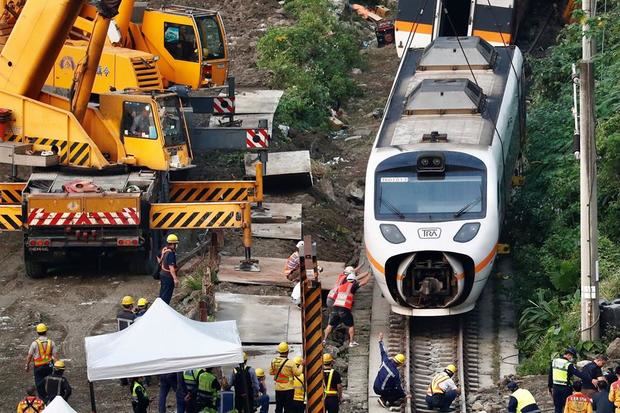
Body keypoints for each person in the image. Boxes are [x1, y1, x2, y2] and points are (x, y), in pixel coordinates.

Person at [323, 269, 370, 348]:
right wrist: (369, 275)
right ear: (354, 280)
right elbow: (364, 282)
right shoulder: (352, 286)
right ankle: (351, 342)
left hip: (335, 308)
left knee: (330, 325)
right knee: (350, 326)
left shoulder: (341, 286)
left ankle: (324, 339)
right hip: (344, 309)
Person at [549, 347, 590, 413]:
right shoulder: (568, 364)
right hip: (565, 388)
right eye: (572, 356)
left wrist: (550, 387)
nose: (571, 358)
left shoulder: (554, 361)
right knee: (567, 406)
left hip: (556, 388)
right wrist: (590, 379)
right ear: (568, 355)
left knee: (557, 407)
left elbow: (550, 375)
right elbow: (579, 374)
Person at [373, 332, 407, 408]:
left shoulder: (385, 360)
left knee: (391, 384)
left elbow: (383, 351)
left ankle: (387, 399)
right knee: (398, 392)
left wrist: (380, 340)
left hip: (375, 386)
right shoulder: (395, 373)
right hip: (380, 390)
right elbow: (398, 387)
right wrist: (405, 395)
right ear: (400, 364)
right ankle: (384, 399)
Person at [25, 323, 58, 398]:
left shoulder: (34, 343)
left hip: (38, 368)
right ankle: (52, 398)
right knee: (50, 383)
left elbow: (29, 356)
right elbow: (55, 356)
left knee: (39, 385)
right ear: (46, 331)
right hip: (49, 366)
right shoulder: (51, 342)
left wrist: (27, 366)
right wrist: (57, 367)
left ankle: (43, 399)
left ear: (37, 332)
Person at [270, 342, 302, 413]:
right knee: (288, 408)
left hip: (278, 388)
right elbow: (298, 373)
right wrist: (302, 366)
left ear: (279, 351)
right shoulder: (291, 363)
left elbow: (271, 372)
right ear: (287, 351)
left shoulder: (274, 361)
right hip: (288, 389)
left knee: (279, 407)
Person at [158, 234, 180, 304]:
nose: (176, 245)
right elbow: (171, 268)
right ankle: (164, 311)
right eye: (176, 243)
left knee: (162, 294)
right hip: (168, 277)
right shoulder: (170, 253)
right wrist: (175, 279)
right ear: (173, 244)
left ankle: (160, 308)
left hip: (162, 274)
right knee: (166, 296)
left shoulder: (164, 249)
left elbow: (158, 257)